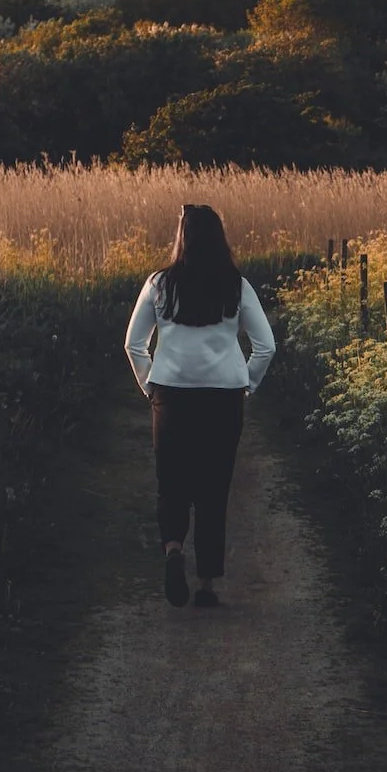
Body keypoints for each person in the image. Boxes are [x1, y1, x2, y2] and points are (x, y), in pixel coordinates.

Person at [123, 205, 275, 608]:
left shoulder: (159, 284)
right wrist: (246, 385)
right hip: (223, 399)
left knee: (171, 483)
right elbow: (266, 346)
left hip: (171, 395)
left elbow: (133, 344)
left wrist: (149, 387)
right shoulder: (236, 286)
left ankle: (173, 549)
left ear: (182, 237)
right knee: (213, 488)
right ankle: (206, 585)